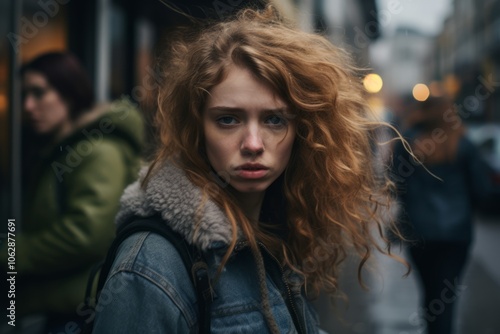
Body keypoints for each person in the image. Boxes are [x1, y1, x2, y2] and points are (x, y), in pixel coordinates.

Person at [92, 6, 402, 333]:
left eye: (274, 120)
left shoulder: (279, 231)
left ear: (303, 131)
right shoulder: (151, 266)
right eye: (228, 119)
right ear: (197, 129)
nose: (253, 143)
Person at [0, 52, 144, 331]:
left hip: (79, 313)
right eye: (23, 95)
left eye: (39, 93)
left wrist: (10, 252)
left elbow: (86, 235)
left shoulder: (98, 151)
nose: (28, 106)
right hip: (59, 307)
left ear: (69, 92)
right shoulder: (62, 151)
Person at [391, 96, 492, 334]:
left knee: (429, 292)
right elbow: (481, 190)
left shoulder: (407, 143)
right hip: (456, 236)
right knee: (446, 297)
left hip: (419, 232)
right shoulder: (464, 144)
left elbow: (396, 184)